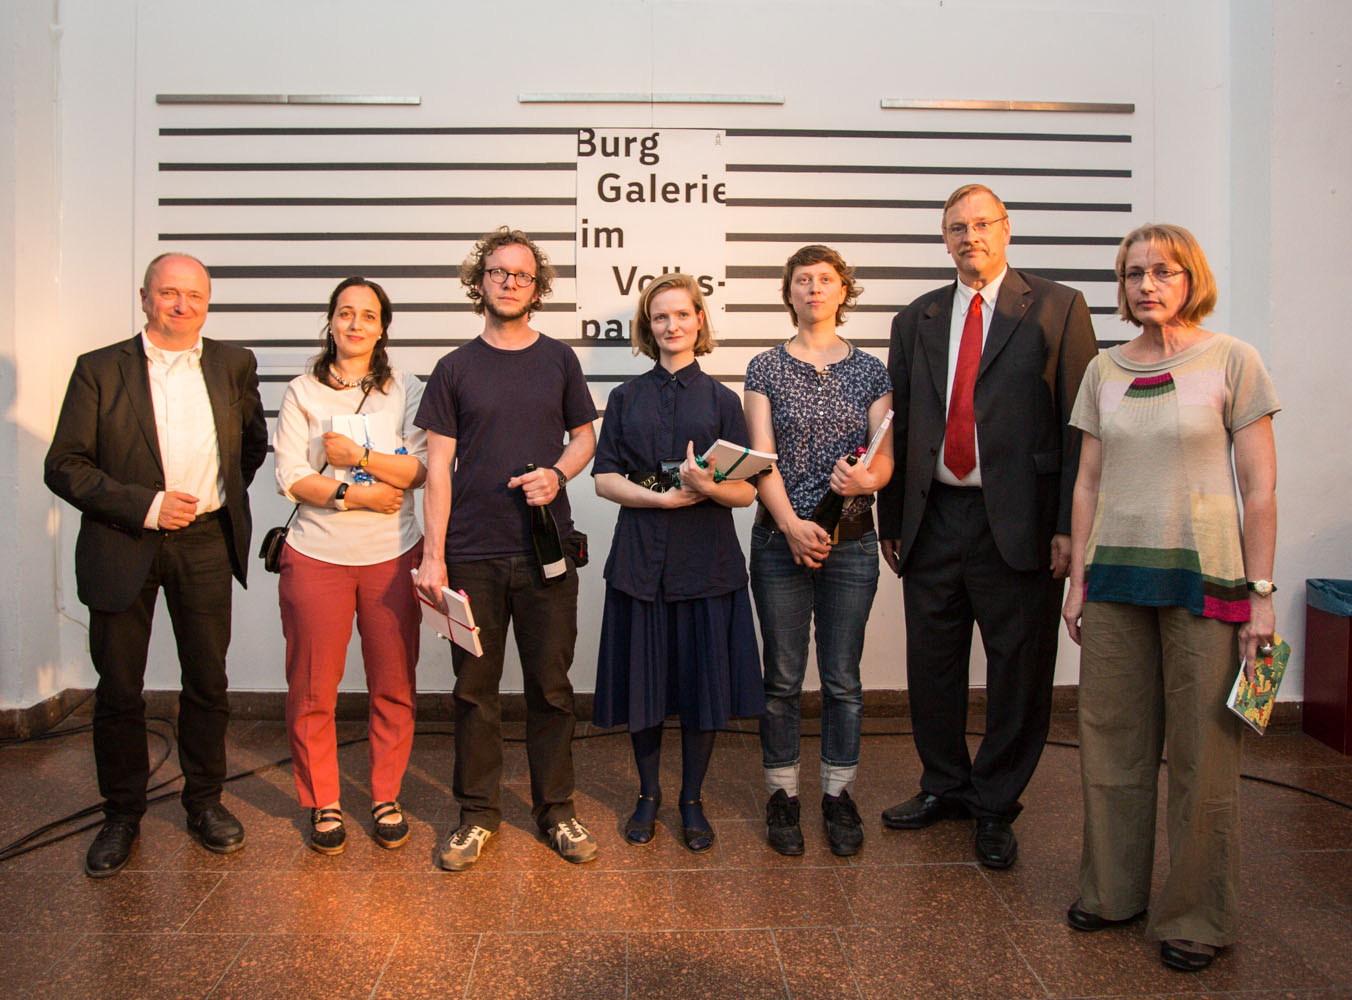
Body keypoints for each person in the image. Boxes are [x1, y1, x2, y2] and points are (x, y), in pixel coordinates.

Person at [1061, 224, 1278, 971]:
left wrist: (1263, 596)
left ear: (1191, 279)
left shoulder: (1233, 361)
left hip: (1206, 584)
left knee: (1201, 758)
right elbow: (1088, 481)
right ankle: (1113, 890)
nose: (1147, 285)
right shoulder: (1104, 370)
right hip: (1117, 579)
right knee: (1112, 746)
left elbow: (1260, 487)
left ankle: (1195, 915)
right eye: (1132, 274)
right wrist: (1079, 580)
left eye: (1163, 271)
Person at [877, 184, 1097, 869]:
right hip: (935, 517)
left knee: (1018, 670)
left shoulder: (1059, 308)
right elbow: (901, 428)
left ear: (1006, 229)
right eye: (955, 228)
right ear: (944, 240)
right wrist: (892, 519)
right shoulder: (917, 317)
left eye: (980, 224)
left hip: (1021, 522)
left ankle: (996, 803)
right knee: (932, 666)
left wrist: (1068, 527)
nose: (969, 237)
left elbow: (1078, 428)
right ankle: (944, 785)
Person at [44, 252, 268, 876]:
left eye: (194, 295)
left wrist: (212, 500)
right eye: (169, 293)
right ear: (144, 297)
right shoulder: (99, 369)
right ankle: (122, 814)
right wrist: (147, 506)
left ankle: (204, 802)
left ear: (207, 302)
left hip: (203, 543)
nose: (182, 305)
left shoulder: (233, 364)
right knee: (120, 689)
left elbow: (250, 446)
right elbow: (64, 464)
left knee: (207, 681)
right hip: (124, 542)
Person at [414, 227, 598, 871]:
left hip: (548, 554)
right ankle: (477, 815)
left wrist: (560, 473)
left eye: (522, 275)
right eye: (498, 272)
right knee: (473, 688)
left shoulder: (560, 360)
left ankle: (557, 810)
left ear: (537, 288)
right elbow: (437, 469)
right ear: (480, 282)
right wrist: (432, 555)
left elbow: (584, 438)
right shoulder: (453, 368)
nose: (510, 282)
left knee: (552, 687)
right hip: (469, 557)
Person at [591, 272, 763, 852]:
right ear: (649, 326)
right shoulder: (623, 398)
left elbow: (747, 491)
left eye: (682, 315)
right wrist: (661, 496)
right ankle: (647, 795)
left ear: (699, 322)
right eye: (661, 317)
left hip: (706, 564)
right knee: (644, 685)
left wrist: (705, 486)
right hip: (640, 563)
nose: (672, 326)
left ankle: (691, 798)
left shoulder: (722, 401)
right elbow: (604, 479)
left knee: (701, 688)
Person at [744, 244, 893, 857]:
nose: (813, 289)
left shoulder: (871, 371)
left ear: (843, 291)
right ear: (789, 292)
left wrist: (868, 480)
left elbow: (884, 458)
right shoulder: (764, 368)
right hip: (781, 541)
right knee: (780, 679)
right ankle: (783, 797)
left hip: (852, 546)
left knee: (843, 680)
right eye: (802, 280)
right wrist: (792, 526)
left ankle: (838, 796)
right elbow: (760, 461)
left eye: (825, 280)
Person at [272, 277, 428, 855]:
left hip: (391, 555)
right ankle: (323, 802)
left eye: (368, 315)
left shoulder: (405, 388)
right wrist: (354, 494)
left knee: (394, 685)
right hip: (317, 556)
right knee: (313, 690)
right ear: (331, 322)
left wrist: (357, 457)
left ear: (382, 326)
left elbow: (419, 471)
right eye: (345, 313)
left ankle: (385, 794)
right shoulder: (301, 392)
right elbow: (290, 476)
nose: (356, 324)